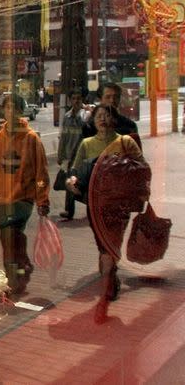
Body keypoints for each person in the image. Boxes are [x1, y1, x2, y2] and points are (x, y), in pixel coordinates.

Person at [66, 104, 146, 323]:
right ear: (93, 122)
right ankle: (110, 281)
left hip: (119, 206)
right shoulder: (86, 144)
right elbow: (73, 172)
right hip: (96, 204)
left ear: (113, 119)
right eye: (98, 116)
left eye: (106, 115)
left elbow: (142, 168)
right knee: (105, 246)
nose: (102, 119)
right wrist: (71, 181)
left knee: (111, 246)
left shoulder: (125, 142)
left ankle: (105, 291)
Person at [0, 93, 50, 294]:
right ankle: (21, 268)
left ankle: (14, 278)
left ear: (21, 111)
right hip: (4, 199)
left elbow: (41, 172)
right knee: (9, 239)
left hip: (23, 198)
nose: (10, 112)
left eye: (14, 108)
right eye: (7, 108)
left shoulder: (31, 138)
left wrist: (42, 200)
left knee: (10, 235)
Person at [57, 89, 90, 219]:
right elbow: (63, 136)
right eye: (74, 99)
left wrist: (82, 112)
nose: (76, 101)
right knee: (69, 182)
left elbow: (86, 127)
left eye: (78, 99)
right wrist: (60, 154)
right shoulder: (66, 116)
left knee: (85, 182)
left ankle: (90, 209)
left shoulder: (86, 115)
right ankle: (69, 211)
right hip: (70, 155)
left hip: (83, 156)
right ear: (70, 100)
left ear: (82, 100)